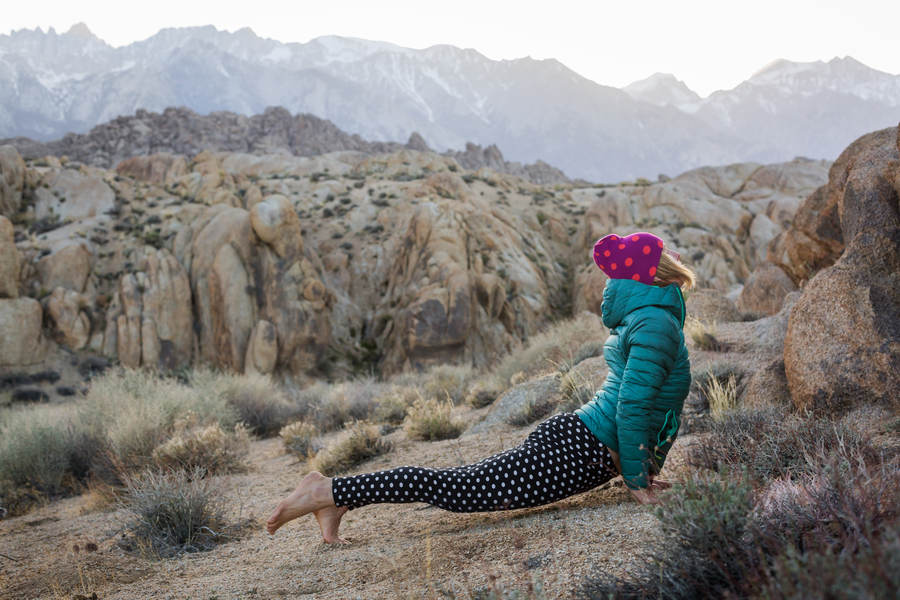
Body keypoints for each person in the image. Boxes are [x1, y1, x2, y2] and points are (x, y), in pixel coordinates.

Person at [267, 231, 695, 543]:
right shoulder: (656, 321)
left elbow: (650, 403)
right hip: (581, 450)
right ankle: (324, 490)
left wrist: (643, 470)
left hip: (582, 444)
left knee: (458, 485)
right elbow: (635, 406)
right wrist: (638, 481)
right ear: (657, 277)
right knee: (455, 490)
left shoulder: (652, 318)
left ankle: (336, 499)